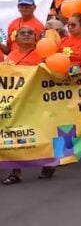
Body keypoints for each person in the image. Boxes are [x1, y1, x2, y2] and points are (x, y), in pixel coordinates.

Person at [2, 27, 56, 185]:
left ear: (36, 38)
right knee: (15, 133)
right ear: (15, 38)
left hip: (37, 100)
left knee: (42, 131)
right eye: (22, 33)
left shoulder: (42, 54)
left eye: (29, 33)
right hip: (17, 101)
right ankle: (15, 171)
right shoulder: (11, 55)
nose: (26, 36)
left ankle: (48, 162)